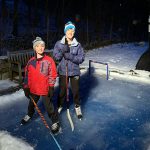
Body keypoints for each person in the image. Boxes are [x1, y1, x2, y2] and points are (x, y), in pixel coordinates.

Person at [21, 37, 61, 134]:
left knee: (49, 106)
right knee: (31, 104)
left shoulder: (49, 60)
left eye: (42, 46)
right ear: (35, 48)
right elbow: (26, 76)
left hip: (45, 89)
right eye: (38, 46)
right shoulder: (31, 61)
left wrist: (51, 87)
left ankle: (55, 121)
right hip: (34, 89)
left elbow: (53, 74)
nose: (40, 48)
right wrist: (26, 87)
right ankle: (29, 114)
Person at [53, 21, 85, 119]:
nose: (70, 32)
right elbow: (56, 57)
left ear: (74, 32)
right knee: (62, 91)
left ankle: (77, 106)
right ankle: (59, 105)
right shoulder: (59, 44)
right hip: (63, 71)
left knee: (76, 91)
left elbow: (81, 58)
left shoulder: (77, 45)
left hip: (74, 71)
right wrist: (62, 52)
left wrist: (70, 56)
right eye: (68, 30)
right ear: (65, 32)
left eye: (72, 30)